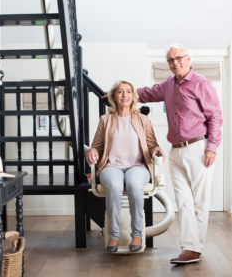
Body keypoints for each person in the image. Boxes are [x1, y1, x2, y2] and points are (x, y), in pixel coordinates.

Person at [102, 44, 222, 263]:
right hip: (175, 151)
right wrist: (119, 94)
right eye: (170, 60)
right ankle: (189, 248)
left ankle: (195, 248)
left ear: (188, 58)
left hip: (198, 148)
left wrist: (211, 147)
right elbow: (146, 93)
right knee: (183, 202)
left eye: (179, 58)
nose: (175, 62)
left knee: (200, 202)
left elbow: (215, 117)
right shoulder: (168, 84)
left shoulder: (201, 83)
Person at [86, 79, 164, 253]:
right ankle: (112, 235)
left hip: (137, 166)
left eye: (128, 91)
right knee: (114, 185)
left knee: (134, 184)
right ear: (114, 96)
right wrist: (91, 151)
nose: (125, 95)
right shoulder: (105, 120)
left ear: (133, 96)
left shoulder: (142, 119)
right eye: (120, 91)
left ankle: (137, 234)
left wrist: (157, 149)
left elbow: (152, 144)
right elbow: (96, 146)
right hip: (111, 166)